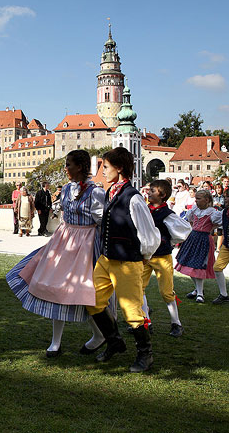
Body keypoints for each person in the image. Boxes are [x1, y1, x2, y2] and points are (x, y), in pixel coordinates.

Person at [6, 150, 106, 358]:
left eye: (69, 165)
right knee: (54, 287)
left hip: (86, 244)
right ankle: (56, 342)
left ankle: (99, 335)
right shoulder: (68, 189)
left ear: (80, 167)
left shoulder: (96, 192)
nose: (66, 169)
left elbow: (102, 221)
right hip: (64, 241)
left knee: (85, 293)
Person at [84, 147, 160, 373]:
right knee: (92, 300)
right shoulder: (112, 192)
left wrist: (144, 257)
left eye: (105, 167)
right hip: (107, 259)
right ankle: (115, 341)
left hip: (127, 261)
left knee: (132, 311)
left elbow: (149, 233)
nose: (102, 171)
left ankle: (145, 355)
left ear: (119, 168)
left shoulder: (133, 197)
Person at [142, 180, 191, 337]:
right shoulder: (145, 210)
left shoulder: (167, 214)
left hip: (162, 257)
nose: (148, 193)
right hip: (144, 257)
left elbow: (184, 230)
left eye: (152, 191)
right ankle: (145, 322)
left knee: (166, 292)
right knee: (138, 288)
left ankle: (176, 323)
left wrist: (169, 242)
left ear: (162, 195)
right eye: (148, 190)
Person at [175, 190, 222, 304]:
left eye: (199, 198)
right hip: (193, 238)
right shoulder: (195, 210)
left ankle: (200, 293)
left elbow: (220, 222)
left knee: (198, 266)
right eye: (196, 198)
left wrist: (211, 227)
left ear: (207, 200)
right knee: (188, 264)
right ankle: (197, 290)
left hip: (203, 239)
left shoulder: (212, 212)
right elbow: (190, 219)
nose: (196, 201)